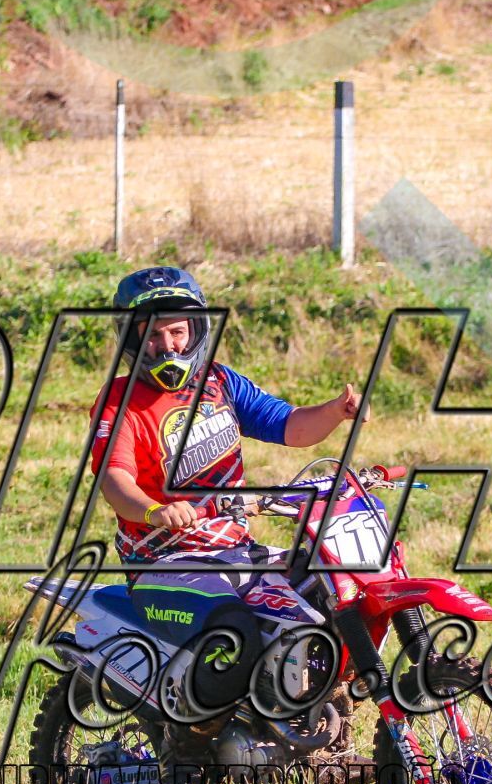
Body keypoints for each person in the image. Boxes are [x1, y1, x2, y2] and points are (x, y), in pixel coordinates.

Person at [88, 266, 361, 665]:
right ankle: (208, 708)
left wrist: (336, 411)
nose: (167, 346)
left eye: (177, 331)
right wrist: (155, 511)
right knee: (233, 632)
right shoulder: (119, 399)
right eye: (153, 334)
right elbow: (114, 480)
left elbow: (291, 426)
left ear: (196, 331)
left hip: (236, 551)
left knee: (333, 590)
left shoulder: (218, 381)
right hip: (163, 564)